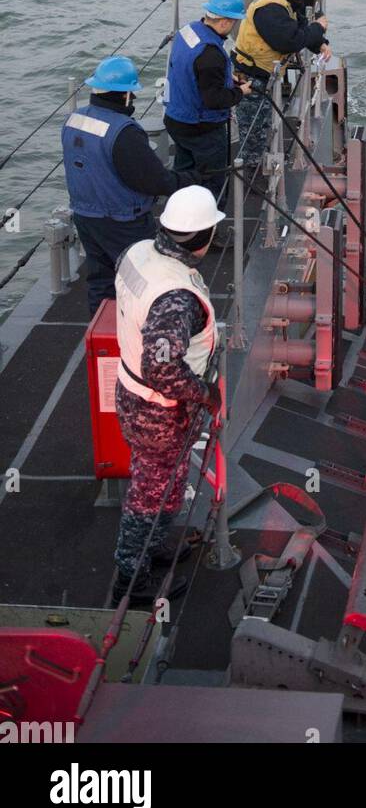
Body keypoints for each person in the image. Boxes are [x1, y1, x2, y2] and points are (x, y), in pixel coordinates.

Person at [110, 186, 224, 606]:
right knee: (150, 491)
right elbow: (161, 370)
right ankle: (130, 578)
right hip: (159, 411)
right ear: (203, 237)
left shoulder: (138, 251)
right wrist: (206, 394)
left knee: (163, 481)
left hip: (131, 394)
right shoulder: (176, 298)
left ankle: (153, 546)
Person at [61, 55, 196, 315]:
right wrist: (190, 179)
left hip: (85, 217)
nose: (133, 100)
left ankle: (102, 333)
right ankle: (141, 335)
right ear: (123, 96)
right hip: (124, 222)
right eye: (131, 95)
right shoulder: (124, 132)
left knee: (100, 281)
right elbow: (155, 181)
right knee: (142, 281)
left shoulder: (73, 120)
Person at [232, 0, 332, 170]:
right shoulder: (270, 8)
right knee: (252, 130)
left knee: (263, 125)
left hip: (264, 75)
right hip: (251, 76)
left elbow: (299, 27)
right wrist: (319, 28)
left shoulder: (284, 1)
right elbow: (290, 41)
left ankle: (259, 164)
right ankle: (251, 175)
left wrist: (319, 43)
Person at [164, 0, 251, 199]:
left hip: (176, 120)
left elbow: (192, 72)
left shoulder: (188, 31)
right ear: (223, 22)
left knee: (184, 173)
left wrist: (226, 80)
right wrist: (240, 91)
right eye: (233, 22)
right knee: (212, 181)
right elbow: (214, 100)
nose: (233, 27)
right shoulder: (211, 54)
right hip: (201, 129)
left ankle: (180, 212)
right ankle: (208, 226)